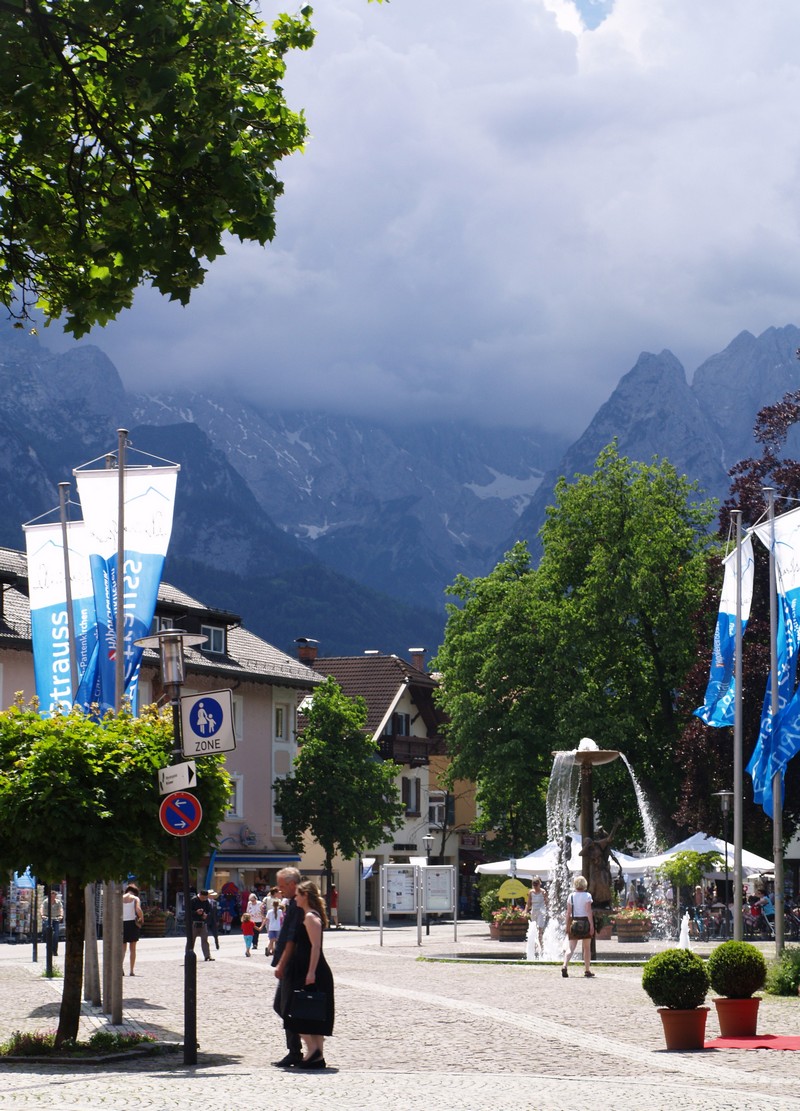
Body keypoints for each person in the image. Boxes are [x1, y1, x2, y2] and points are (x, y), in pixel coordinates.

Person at [283, 880, 335, 1068]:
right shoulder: (308, 915)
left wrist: (311, 972)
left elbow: (315, 947)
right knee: (312, 1014)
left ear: (305, 896)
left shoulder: (311, 918)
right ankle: (317, 1057)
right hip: (307, 970)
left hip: (312, 970)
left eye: (298, 895)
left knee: (296, 1013)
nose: (295, 898)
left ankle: (313, 1053)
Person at [271, 867, 304, 1068]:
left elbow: (292, 937)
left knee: (287, 1007)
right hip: (288, 962)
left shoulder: (298, 904)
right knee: (281, 1006)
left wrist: (282, 963)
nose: (280, 890)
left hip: (292, 964)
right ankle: (298, 1046)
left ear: (293, 884)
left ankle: (296, 1050)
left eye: (283, 886)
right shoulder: (292, 902)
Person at [561, 874, 595, 978]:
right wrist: (592, 925)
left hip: (574, 922)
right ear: (585, 884)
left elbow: (568, 912)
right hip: (585, 922)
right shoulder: (587, 896)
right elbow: (588, 911)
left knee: (571, 948)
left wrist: (567, 925)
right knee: (587, 948)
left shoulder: (571, 896)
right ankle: (587, 970)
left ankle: (564, 965)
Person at [122, 883, 144, 976]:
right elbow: (138, 909)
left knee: (122, 948)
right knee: (133, 949)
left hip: (122, 923)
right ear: (135, 892)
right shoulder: (135, 898)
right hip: (132, 924)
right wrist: (142, 918)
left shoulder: (121, 898)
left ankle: (120, 967)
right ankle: (131, 970)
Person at [190, 890, 215, 961]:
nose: (204, 899)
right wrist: (196, 912)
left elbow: (209, 911)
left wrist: (206, 915)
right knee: (191, 940)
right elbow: (188, 911)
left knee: (205, 940)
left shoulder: (206, 901)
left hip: (203, 923)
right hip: (193, 923)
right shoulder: (193, 900)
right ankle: (189, 955)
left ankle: (207, 956)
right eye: (203, 897)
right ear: (200, 895)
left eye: (205, 898)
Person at [525, 878, 548, 949]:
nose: (535, 886)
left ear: (539, 884)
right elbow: (528, 903)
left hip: (541, 912)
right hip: (534, 911)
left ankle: (542, 946)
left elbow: (547, 903)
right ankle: (535, 946)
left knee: (539, 929)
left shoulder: (543, 892)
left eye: (536, 885)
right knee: (534, 929)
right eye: (534, 885)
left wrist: (545, 897)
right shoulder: (531, 892)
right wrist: (525, 911)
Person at [41, 889, 64, 957]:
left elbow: (61, 909)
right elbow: (42, 908)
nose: (53, 898)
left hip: (55, 918)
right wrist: (42, 915)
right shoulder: (46, 902)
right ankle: (47, 945)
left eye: (54, 896)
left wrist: (61, 916)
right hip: (47, 917)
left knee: (56, 935)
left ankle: (54, 950)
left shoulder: (58, 902)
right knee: (47, 930)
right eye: (51, 896)